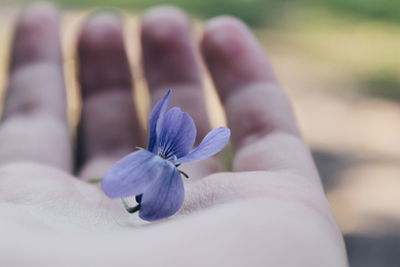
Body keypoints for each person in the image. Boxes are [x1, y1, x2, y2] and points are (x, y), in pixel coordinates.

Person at [0, 3, 348, 266]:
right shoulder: (158, 163)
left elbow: (176, 158)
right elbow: (146, 172)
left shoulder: (162, 166)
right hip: (156, 161)